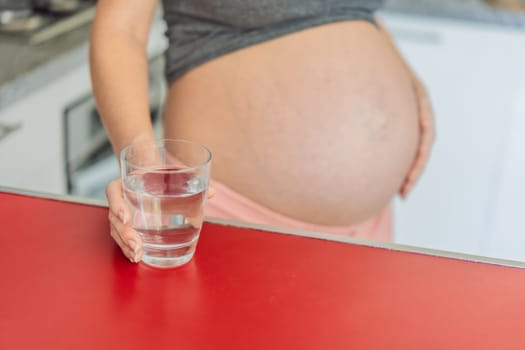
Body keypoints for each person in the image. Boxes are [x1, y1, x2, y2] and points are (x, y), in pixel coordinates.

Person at [90, 0, 434, 263]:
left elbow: (352, 12)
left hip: (370, 225)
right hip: (229, 212)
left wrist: (410, 82)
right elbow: (121, 30)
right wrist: (144, 168)